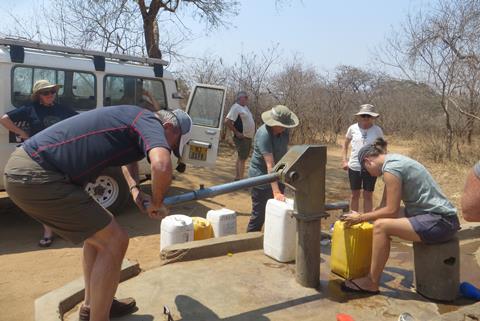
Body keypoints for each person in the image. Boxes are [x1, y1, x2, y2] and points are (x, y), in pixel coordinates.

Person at [3, 105, 192, 321]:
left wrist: (134, 190)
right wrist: (157, 203)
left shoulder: (135, 121)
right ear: (168, 126)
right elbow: (160, 165)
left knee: (97, 236)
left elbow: (129, 160)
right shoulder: (150, 121)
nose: (170, 147)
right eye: (173, 143)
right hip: (38, 174)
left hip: (29, 170)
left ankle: (92, 307)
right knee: (115, 241)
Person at [340, 138, 460, 294]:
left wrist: (361, 218)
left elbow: (390, 210)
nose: (369, 175)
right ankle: (372, 263)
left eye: (366, 171)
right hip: (434, 217)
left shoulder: (391, 170)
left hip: (441, 222)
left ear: (368, 161)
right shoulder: (393, 163)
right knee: (378, 220)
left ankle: (371, 282)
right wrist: (362, 215)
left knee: (381, 227)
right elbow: (383, 207)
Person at [0, 79, 78, 247]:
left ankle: (66, 229)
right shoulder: (30, 109)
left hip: (61, 155)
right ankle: (48, 232)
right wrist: (22, 133)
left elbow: (79, 121)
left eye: (52, 92)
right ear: (38, 96)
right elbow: (4, 119)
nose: (50, 95)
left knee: (64, 193)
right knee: (46, 195)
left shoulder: (62, 109)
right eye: (45, 93)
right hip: (40, 158)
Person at [246, 105, 299, 232]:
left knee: (276, 213)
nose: (284, 128)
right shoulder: (264, 134)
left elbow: (283, 155)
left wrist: (285, 179)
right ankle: (250, 240)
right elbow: (270, 165)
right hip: (261, 178)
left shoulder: (284, 131)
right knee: (259, 215)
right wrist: (275, 191)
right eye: (282, 126)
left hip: (278, 175)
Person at [342, 104, 384, 213]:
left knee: (368, 195)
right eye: (363, 115)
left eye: (368, 116)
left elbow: (382, 148)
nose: (366, 118)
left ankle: (367, 221)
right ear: (359, 116)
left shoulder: (377, 130)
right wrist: (344, 161)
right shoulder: (352, 128)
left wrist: (380, 164)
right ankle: (353, 219)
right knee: (354, 194)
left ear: (373, 117)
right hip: (354, 166)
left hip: (371, 167)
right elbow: (345, 144)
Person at [224, 91, 255, 180]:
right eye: (245, 97)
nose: (247, 99)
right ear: (240, 98)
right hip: (242, 137)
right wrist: (237, 133)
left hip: (247, 137)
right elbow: (227, 121)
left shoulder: (244, 107)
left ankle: (238, 178)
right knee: (242, 159)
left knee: (241, 158)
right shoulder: (236, 107)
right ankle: (241, 181)